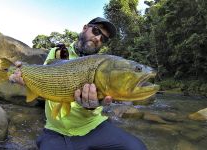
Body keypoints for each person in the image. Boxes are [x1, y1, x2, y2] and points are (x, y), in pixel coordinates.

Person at [10, 17, 147, 150]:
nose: (98, 39)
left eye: (103, 39)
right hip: (56, 131)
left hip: (93, 126)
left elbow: (103, 101)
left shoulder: (104, 64)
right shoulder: (58, 52)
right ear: (85, 28)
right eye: (96, 31)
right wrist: (24, 77)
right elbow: (43, 79)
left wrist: (95, 105)